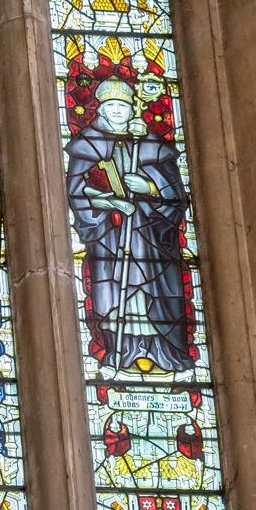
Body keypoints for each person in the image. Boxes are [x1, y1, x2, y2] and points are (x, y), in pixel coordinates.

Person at [65, 76, 190, 370]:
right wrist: (109, 201)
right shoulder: (86, 145)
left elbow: (176, 195)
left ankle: (162, 350)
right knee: (117, 291)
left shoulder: (150, 145)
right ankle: (121, 350)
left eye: (122, 105)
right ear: (101, 110)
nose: (118, 111)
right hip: (111, 237)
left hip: (151, 242)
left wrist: (149, 188)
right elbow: (76, 191)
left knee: (152, 293)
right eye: (111, 106)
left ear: (131, 109)